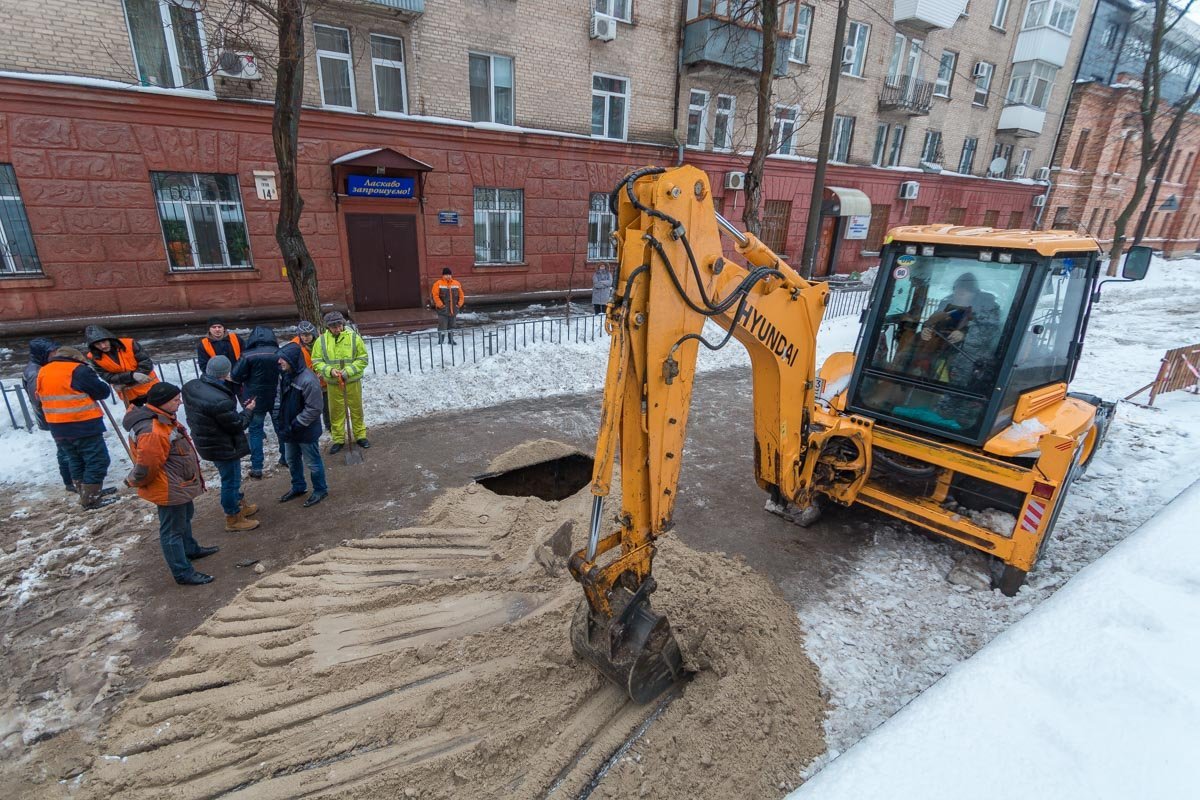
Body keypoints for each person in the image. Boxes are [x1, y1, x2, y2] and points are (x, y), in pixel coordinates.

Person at [123, 382, 218, 586]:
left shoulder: (163, 420)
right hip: (169, 487)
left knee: (184, 519)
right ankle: (182, 572)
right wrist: (134, 480)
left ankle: (190, 549)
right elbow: (147, 466)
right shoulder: (153, 430)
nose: (180, 402)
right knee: (172, 531)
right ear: (162, 402)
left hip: (178, 483)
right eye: (175, 400)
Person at [182, 356, 260, 532]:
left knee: (231, 478)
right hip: (223, 446)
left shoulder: (192, 386)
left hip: (207, 441)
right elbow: (237, 424)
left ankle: (240, 505)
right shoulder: (219, 400)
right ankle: (233, 517)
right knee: (230, 481)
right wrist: (248, 410)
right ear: (225, 373)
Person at [35, 345, 117, 510]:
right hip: (82, 423)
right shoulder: (78, 370)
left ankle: (86, 493)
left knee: (75, 459)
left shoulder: (44, 371)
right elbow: (102, 392)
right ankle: (91, 499)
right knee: (97, 460)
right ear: (77, 358)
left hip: (57, 425)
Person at [919, 272, 1002, 389]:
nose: (960, 293)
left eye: (966, 290)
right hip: (942, 351)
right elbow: (931, 323)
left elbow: (990, 333)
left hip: (972, 358)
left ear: (974, 293)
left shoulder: (987, 309)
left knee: (958, 385)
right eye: (957, 288)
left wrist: (964, 335)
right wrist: (927, 330)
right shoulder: (946, 305)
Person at [276, 342, 328, 508]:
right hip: (290, 429)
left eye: (282, 359)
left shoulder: (308, 380)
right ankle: (298, 486)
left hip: (305, 430)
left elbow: (315, 408)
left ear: (291, 360)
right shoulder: (286, 375)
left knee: (312, 462)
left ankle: (320, 489)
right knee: (292, 459)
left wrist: (298, 422)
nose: (279, 362)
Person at [23, 337, 76, 494]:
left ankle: (74, 480)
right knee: (66, 450)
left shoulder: (41, 367)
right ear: (42, 354)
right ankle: (71, 481)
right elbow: (39, 398)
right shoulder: (36, 372)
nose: (55, 354)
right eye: (52, 352)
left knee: (68, 449)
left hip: (57, 415)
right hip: (55, 417)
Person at [312, 311, 369, 454]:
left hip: (352, 381)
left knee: (356, 409)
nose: (337, 329)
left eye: (339, 325)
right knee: (336, 412)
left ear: (343, 324)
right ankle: (338, 439)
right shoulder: (322, 341)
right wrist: (330, 370)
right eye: (333, 327)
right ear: (328, 327)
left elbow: (362, 358)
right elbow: (317, 361)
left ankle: (360, 435)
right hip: (333, 383)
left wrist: (348, 371)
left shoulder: (354, 338)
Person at [230, 325, 282, 478]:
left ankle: (257, 466)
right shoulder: (278, 353)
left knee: (255, 431)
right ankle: (286, 457)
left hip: (254, 399)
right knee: (279, 427)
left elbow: (235, 375)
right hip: (275, 395)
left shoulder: (247, 355)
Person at [84, 324, 159, 406]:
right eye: (98, 344)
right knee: (138, 417)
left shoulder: (129, 344)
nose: (103, 346)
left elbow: (146, 364)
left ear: (109, 339)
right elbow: (108, 377)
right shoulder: (93, 357)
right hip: (129, 395)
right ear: (93, 346)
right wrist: (132, 376)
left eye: (104, 342)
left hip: (150, 387)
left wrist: (127, 379)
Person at [290, 320, 331, 431]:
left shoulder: (324, 341)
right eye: (302, 335)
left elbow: (331, 357)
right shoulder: (294, 345)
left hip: (324, 380)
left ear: (313, 333)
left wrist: (324, 370)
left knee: (327, 406)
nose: (305, 337)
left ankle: (329, 426)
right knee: (311, 406)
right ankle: (313, 427)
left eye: (307, 335)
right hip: (308, 382)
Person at [431, 268, 466, 345]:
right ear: (443, 275)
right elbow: (435, 296)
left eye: (449, 274)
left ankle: (451, 340)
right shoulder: (438, 283)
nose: (448, 276)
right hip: (443, 310)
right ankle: (441, 341)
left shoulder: (456, 283)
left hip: (453, 310)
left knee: (452, 326)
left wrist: (459, 304)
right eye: (446, 274)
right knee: (442, 326)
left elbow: (461, 295)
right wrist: (440, 305)